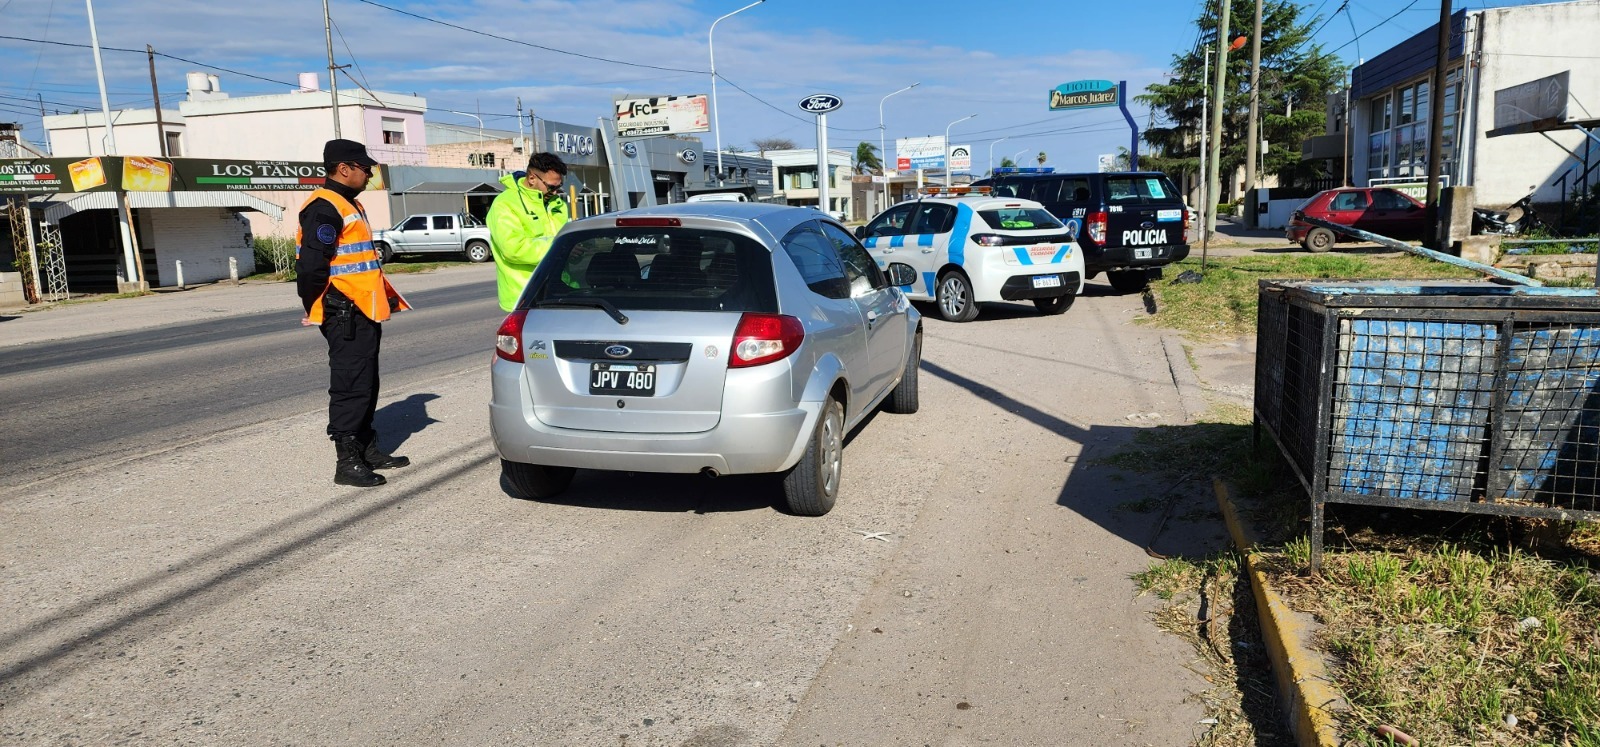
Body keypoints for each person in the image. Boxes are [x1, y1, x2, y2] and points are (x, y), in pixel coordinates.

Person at [296, 138, 413, 488]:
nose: (369, 173)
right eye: (365, 168)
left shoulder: (349, 204)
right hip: (343, 310)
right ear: (344, 169)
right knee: (349, 384)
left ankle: (366, 448)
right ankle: (346, 462)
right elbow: (311, 268)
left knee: (366, 381)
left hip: (361, 308)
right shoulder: (324, 207)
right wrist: (320, 307)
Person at [487, 152, 570, 311]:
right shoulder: (505, 204)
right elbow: (513, 249)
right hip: (525, 297)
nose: (555, 192)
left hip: (559, 292)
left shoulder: (557, 204)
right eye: (552, 187)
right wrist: (561, 249)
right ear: (532, 178)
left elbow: (565, 239)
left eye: (559, 187)